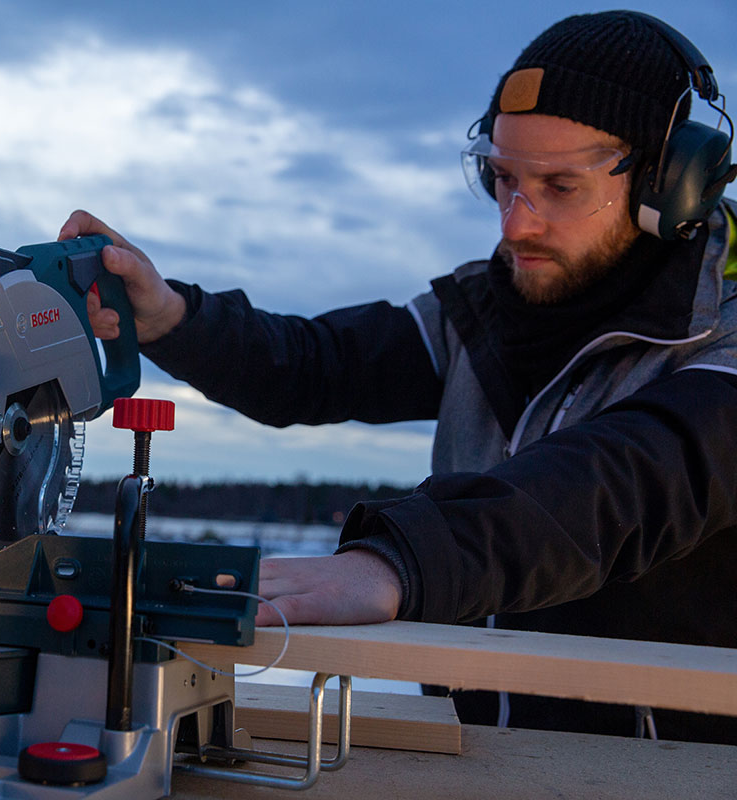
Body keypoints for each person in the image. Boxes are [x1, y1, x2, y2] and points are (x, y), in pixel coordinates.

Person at [60, 11, 737, 744]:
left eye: (561, 187)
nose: (515, 224)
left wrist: (402, 562)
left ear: (670, 186)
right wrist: (172, 318)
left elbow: (625, 480)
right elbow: (317, 365)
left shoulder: (723, 331)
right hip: (478, 750)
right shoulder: (485, 309)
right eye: (503, 179)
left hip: (671, 768)